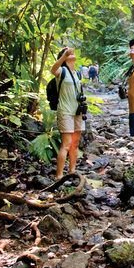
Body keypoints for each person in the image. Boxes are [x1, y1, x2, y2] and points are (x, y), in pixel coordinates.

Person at [49, 47, 85, 179]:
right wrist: (64, 56)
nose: (71, 54)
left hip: (77, 111)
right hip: (65, 111)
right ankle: (59, 175)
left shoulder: (77, 73)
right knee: (66, 143)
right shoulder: (62, 71)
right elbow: (52, 70)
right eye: (68, 53)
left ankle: (72, 171)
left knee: (75, 143)